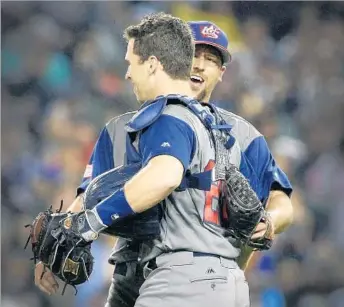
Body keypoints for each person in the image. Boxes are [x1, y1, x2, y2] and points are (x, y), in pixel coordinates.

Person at [34, 16, 293, 307]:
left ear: (222, 72)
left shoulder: (243, 136)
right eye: (194, 54)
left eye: (210, 59)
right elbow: (88, 195)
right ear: (178, 58)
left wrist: (270, 221)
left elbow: (279, 199)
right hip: (136, 277)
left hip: (186, 273)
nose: (198, 64)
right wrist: (56, 247)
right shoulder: (121, 129)